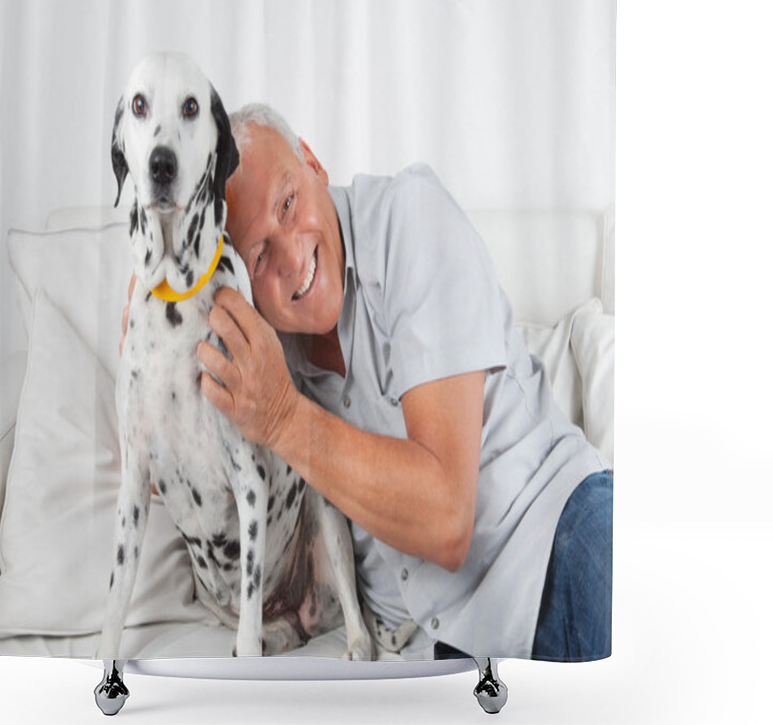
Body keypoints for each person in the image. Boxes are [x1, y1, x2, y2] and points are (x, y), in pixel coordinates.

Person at [138, 102, 612, 661]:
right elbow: (166, 473)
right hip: (445, 648)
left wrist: (284, 418)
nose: (292, 259)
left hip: (559, 544)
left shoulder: (412, 219)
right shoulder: (257, 340)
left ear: (312, 161)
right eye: (258, 252)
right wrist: (155, 315)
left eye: (288, 204)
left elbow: (446, 520)